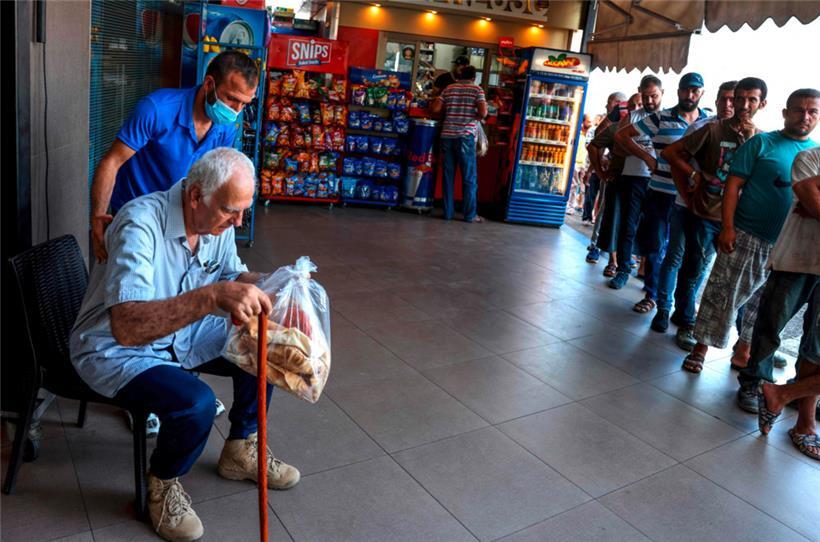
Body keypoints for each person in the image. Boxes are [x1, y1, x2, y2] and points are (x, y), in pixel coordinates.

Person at [70, 148, 300, 542]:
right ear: (195, 196)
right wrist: (211, 297)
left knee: (264, 345)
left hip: (181, 331)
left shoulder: (216, 222)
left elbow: (231, 274)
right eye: (231, 211)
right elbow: (127, 327)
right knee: (195, 403)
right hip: (116, 349)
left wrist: (277, 284)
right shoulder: (140, 224)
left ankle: (241, 447)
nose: (237, 222)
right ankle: (161, 484)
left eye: (243, 212)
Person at [680, 89, 820, 375]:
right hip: (747, 233)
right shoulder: (762, 143)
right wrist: (728, 227)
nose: (805, 116)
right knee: (722, 293)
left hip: (786, 244)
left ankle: (743, 352)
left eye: (812, 112)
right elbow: (732, 186)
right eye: (798, 110)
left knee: (763, 306)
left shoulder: (814, 154)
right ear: (785, 112)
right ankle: (700, 348)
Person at [90, 50, 259, 263]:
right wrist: (97, 217)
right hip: (135, 216)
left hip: (179, 219)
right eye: (232, 99)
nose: (236, 110)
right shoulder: (157, 110)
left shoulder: (225, 128)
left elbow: (215, 180)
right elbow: (112, 162)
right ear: (209, 84)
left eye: (244, 104)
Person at [659, 78, 766, 350]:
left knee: (740, 281)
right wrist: (694, 179)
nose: (742, 105)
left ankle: (744, 341)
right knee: (693, 270)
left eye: (751, 100)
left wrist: (750, 140)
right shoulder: (712, 129)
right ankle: (686, 322)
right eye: (738, 98)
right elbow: (671, 154)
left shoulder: (763, 139)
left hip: (741, 220)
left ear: (762, 104)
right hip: (706, 214)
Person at [739, 145, 819, 426]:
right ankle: (755, 382)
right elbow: (810, 198)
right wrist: (811, 200)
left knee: (815, 343)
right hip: (796, 257)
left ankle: (800, 393)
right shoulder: (809, 158)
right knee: (771, 324)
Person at [609, 75, 664, 289]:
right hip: (632, 177)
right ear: (639, 92)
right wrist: (643, 154)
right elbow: (617, 146)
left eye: (654, 96)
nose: (649, 101)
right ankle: (623, 270)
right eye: (646, 96)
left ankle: (649, 280)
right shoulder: (632, 117)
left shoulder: (667, 117)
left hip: (658, 181)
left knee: (654, 232)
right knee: (628, 227)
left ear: (662, 93)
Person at [586, 96, 639, 273]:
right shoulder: (617, 127)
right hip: (617, 180)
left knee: (632, 224)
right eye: (633, 105)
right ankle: (612, 260)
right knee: (612, 220)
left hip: (642, 184)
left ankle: (626, 259)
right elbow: (593, 145)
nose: (637, 108)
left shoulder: (655, 127)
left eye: (640, 104)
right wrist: (599, 171)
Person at [431, 64, 488, 223]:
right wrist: (475, 118)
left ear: (460, 76)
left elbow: (435, 109)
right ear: (474, 77)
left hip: (447, 135)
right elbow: (483, 112)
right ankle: (470, 215)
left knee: (448, 175)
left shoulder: (448, 88)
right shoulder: (477, 90)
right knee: (469, 177)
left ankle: (448, 213)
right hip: (465, 136)